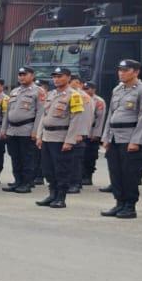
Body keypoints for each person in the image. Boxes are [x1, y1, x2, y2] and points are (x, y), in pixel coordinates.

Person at [33, 66, 91, 209]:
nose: (56, 79)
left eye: (60, 76)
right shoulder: (51, 94)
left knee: (61, 169)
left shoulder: (74, 95)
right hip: (47, 137)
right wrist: (40, 135)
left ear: (68, 78)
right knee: (48, 169)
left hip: (61, 137)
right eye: (54, 77)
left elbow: (76, 119)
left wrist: (70, 140)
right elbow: (44, 116)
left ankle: (60, 197)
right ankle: (52, 194)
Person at [101, 59, 142, 219]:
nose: (121, 73)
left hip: (130, 139)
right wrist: (106, 137)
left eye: (125, 70)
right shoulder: (117, 89)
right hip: (115, 138)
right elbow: (111, 114)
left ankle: (130, 206)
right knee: (116, 173)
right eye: (120, 70)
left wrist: (136, 141)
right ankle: (119, 203)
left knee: (130, 175)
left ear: (136, 72)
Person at [3, 67, 45, 192]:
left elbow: (40, 113)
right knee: (15, 158)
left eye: (24, 74)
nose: (21, 77)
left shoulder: (38, 91)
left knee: (27, 159)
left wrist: (36, 131)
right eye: (20, 75)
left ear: (32, 76)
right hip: (12, 130)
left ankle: (27, 183)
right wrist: (4, 129)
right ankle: (18, 181)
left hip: (27, 130)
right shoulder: (14, 91)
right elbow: (8, 112)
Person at [80, 80, 107, 191]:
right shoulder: (80, 98)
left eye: (87, 89)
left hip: (92, 131)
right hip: (82, 131)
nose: (85, 91)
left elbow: (100, 119)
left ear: (93, 89)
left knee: (90, 156)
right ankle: (80, 176)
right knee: (80, 156)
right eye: (84, 89)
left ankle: (88, 176)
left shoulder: (99, 101)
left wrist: (96, 134)